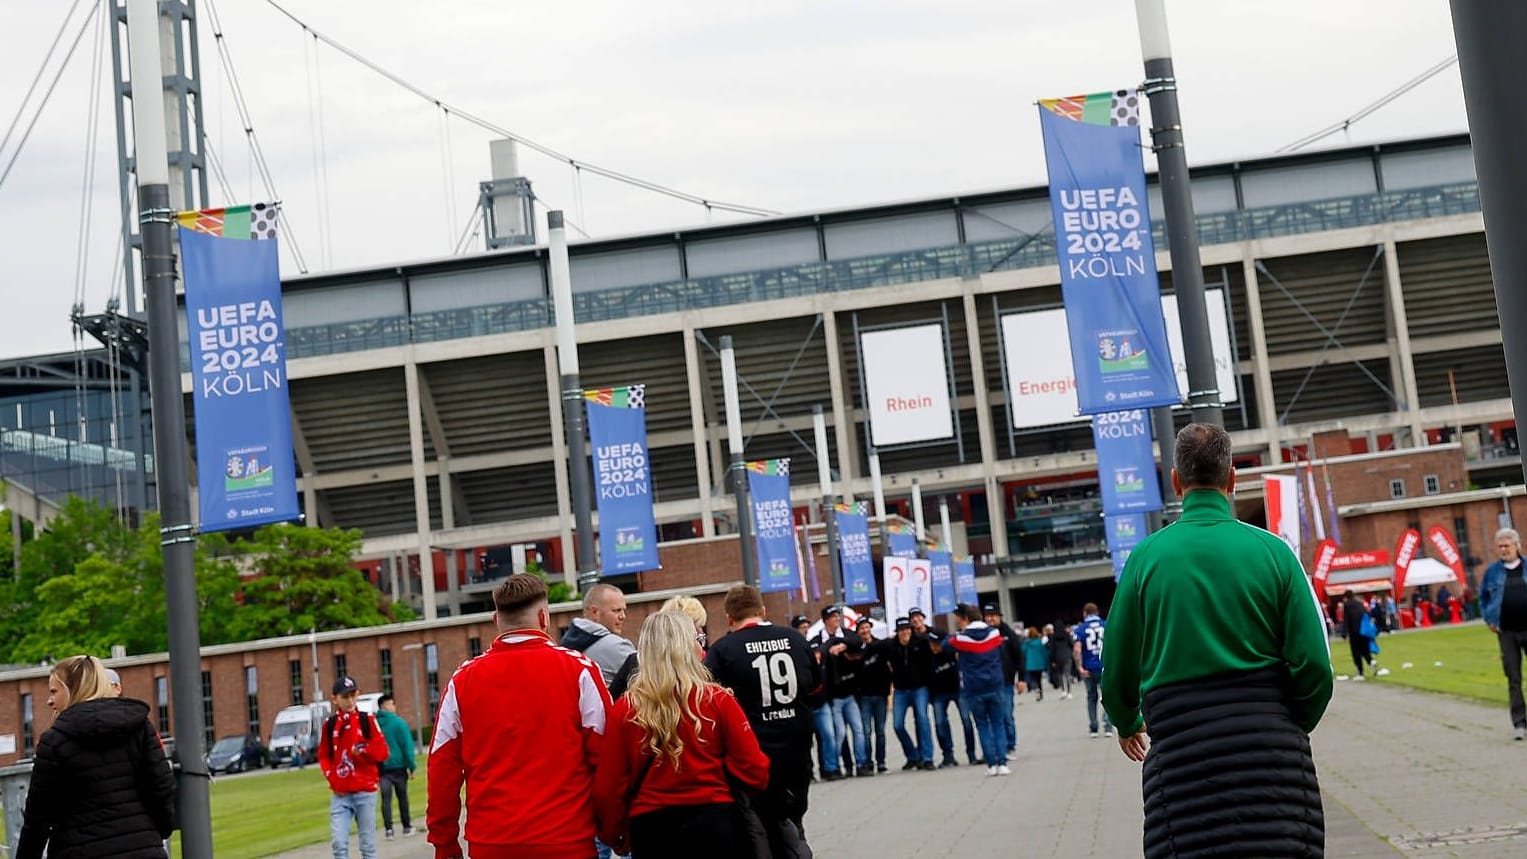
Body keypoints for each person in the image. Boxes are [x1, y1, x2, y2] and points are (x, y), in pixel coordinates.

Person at [1103, 423, 1333, 857]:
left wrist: (1126, 719)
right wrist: (1288, 719)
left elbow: (1116, 665)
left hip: (1183, 758)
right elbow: (1315, 666)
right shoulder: (1274, 553)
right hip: (1272, 754)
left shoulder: (1145, 560)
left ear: (1176, 482)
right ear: (1232, 480)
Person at [428, 573, 613, 859]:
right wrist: (612, 828)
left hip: (493, 843)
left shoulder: (463, 680)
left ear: (496, 620)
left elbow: (442, 767)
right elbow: (605, 757)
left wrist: (444, 842)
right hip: (566, 841)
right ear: (544, 618)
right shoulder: (580, 670)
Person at [594, 612, 771, 857]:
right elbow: (754, 768)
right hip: (714, 818)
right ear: (690, 647)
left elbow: (609, 785)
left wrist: (613, 833)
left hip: (652, 826)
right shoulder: (718, 700)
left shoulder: (626, 708)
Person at [15, 655, 175, 859]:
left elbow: (38, 817)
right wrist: (155, 832)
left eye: (54, 691)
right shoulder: (140, 727)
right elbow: (161, 787)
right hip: (143, 848)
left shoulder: (54, 741)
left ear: (73, 690)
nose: (49, 701)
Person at [704, 584, 818, 855]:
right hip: (797, 754)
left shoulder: (722, 651)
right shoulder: (796, 640)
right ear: (763, 611)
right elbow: (815, 688)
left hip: (752, 761)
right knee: (793, 825)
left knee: (760, 835)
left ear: (729, 618)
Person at [319, 676, 390, 859]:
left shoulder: (367, 720)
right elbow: (324, 755)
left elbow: (382, 752)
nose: (350, 701)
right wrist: (331, 776)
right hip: (341, 793)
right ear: (335, 699)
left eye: (353, 695)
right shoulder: (330, 725)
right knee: (339, 844)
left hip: (365, 791)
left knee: (367, 846)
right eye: (345, 697)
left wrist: (364, 751)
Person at [948, 603, 1010, 775]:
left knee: (982, 726)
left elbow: (946, 645)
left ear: (966, 619)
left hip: (974, 688)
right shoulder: (994, 633)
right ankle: (1003, 762)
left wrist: (959, 633)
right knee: (998, 724)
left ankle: (991, 765)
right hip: (995, 684)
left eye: (958, 621)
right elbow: (1001, 649)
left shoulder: (961, 638)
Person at [1480, 527, 1527, 740]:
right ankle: (1519, 722)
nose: (1503, 550)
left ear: (1517, 546)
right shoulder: (1492, 572)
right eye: (1500, 547)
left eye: (1507, 546)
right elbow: (1483, 598)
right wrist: (1489, 619)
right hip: (1506, 631)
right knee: (1513, 678)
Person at [563, 582, 639, 698]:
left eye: (623, 610)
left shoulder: (565, 644)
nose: (623, 616)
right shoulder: (618, 647)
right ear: (595, 612)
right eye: (616, 610)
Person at [924, 616, 977, 767]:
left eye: (936, 644)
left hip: (958, 690)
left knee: (966, 721)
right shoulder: (928, 657)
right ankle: (948, 755)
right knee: (940, 723)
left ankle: (971, 754)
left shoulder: (953, 651)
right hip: (939, 694)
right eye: (931, 644)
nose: (933, 647)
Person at [887, 616, 935, 771]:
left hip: (919, 687)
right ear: (897, 633)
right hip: (901, 690)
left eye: (907, 629)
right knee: (897, 724)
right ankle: (913, 756)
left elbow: (930, 661)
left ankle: (927, 758)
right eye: (902, 630)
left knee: (922, 718)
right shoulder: (892, 646)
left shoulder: (921, 642)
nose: (905, 632)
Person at [850, 617, 893, 774]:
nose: (865, 631)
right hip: (864, 697)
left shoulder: (880, 646)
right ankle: (868, 762)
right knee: (866, 732)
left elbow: (889, 665)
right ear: (858, 631)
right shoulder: (855, 650)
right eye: (862, 628)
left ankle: (881, 761)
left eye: (867, 627)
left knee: (880, 731)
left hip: (880, 694)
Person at [983, 603, 1023, 758]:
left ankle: (1010, 745)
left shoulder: (1008, 633)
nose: (990, 618)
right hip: (989, 681)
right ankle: (998, 746)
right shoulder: (984, 633)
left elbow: (1019, 655)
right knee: (993, 716)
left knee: (1006, 714)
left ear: (999, 616)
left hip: (1006, 681)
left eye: (993, 615)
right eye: (988, 616)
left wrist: (1022, 679)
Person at [374, 694, 416, 839]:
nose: (394, 707)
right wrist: (412, 766)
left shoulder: (374, 724)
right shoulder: (399, 723)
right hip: (398, 766)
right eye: (392, 704)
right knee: (402, 797)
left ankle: (389, 829)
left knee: (386, 799)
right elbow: (407, 746)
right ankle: (406, 827)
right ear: (385, 706)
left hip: (382, 767)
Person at [1073, 603, 1112, 737]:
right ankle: (1108, 725)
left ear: (1085, 613)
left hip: (1088, 667)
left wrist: (1079, 667)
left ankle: (1094, 726)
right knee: (1107, 696)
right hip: (1104, 666)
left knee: (1091, 697)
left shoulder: (1080, 629)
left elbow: (1077, 650)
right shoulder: (1106, 625)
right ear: (1097, 612)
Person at [1342, 590, 1374, 680]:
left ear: (1346, 597)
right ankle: (1372, 662)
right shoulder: (1360, 603)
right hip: (1363, 631)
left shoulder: (1347, 605)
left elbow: (1346, 620)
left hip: (1354, 632)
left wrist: (1344, 634)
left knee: (1356, 653)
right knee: (1365, 650)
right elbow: (1366, 615)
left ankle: (1360, 673)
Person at [1047, 621, 1075, 698]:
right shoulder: (1067, 635)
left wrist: (1052, 660)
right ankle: (1069, 692)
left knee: (1060, 675)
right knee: (1067, 674)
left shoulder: (1053, 636)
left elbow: (1051, 649)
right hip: (1067, 656)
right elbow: (1072, 644)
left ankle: (1063, 691)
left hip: (1057, 657)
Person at [1022, 627, 1048, 701]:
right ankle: (1040, 692)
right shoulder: (1039, 642)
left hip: (1030, 664)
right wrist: (1046, 662)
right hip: (1039, 664)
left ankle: (1036, 689)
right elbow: (1044, 652)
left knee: (1032, 679)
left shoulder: (1026, 643)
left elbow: (1022, 651)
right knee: (1039, 679)